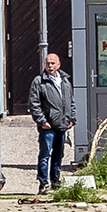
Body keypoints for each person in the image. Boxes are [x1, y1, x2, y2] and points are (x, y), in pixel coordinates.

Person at [29, 49, 77, 194]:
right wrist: (42, 121)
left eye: (52, 63)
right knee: (45, 155)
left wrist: (72, 119)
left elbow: (71, 102)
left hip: (62, 125)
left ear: (58, 65)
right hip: (48, 125)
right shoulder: (39, 81)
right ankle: (43, 184)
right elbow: (34, 104)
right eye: (47, 63)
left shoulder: (65, 81)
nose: (50, 66)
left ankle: (55, 181)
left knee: (58, 155)